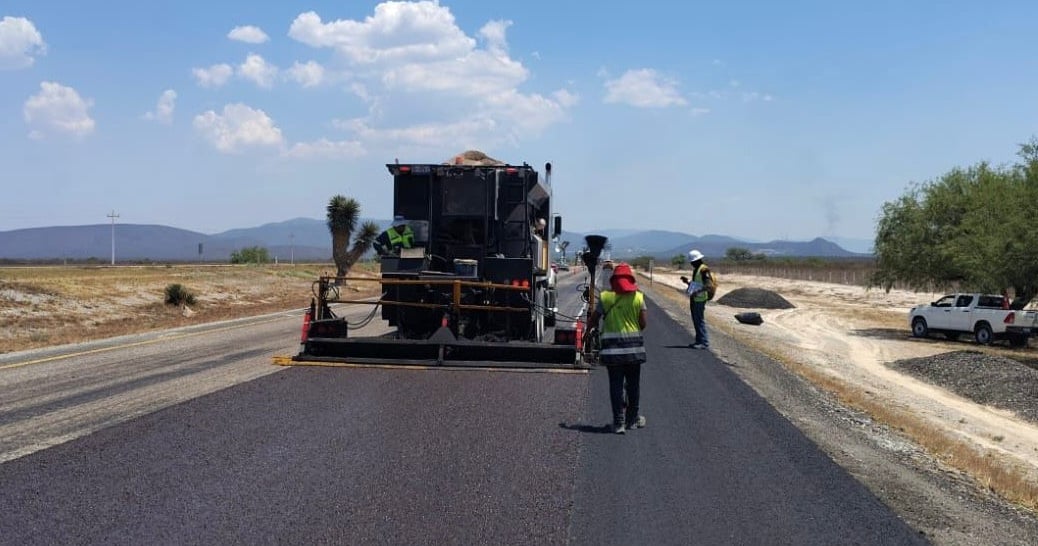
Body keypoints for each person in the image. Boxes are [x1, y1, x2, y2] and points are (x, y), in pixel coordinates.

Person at [589, 262, 648, 434]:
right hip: (634, 352)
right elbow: (643, 323)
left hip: (612, 353)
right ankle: (633, 420)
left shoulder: (606, 297)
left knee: (615, 385)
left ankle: (618, 423)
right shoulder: (638, 297)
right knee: (633, 386)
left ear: (613, 280)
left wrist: (587, 333)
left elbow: (594, 319)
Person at [680, 249, 714, 349]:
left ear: (696, 260)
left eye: (692, 262)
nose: (691, 264)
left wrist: (697, 292)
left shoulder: (704, 270)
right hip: (695, 298)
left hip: (700, 299)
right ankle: (698, 341)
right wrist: (687, 282)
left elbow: (709, 285)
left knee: (699, 320)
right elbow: (697, 284)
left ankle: (704, 342)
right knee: (696, 320)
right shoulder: (697, 269)